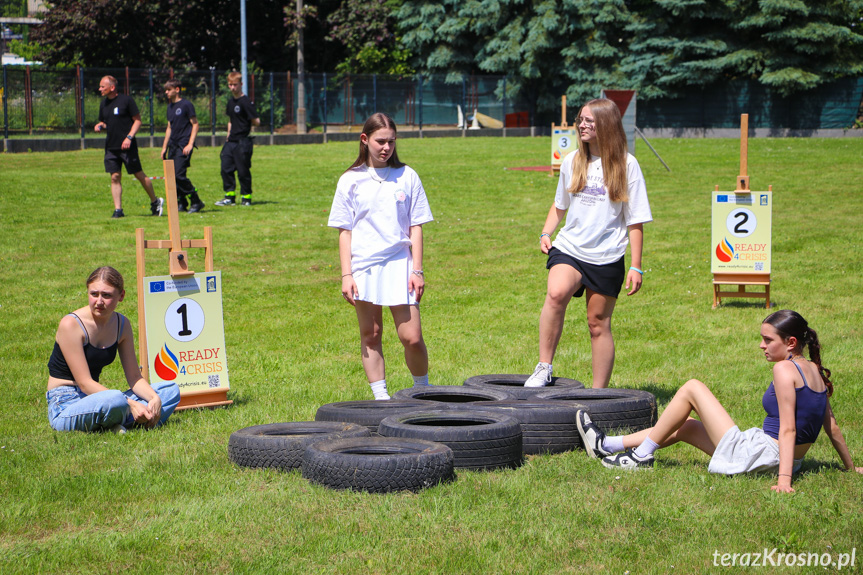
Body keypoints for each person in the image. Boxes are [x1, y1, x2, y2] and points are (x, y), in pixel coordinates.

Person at [576, 310, 863, 491]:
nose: (761, 345)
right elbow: (832, 427)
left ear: (790, 343)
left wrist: (784, 481)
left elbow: (787, 429)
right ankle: (608, 445)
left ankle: (639, 457)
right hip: (781, 458)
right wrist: (850, 468)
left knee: (692, 387)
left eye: (767, 340)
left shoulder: (784, 369)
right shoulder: (813, 370)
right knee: (686, 426)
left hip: (765, 454)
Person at [524, 98, 652, 389]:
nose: (581, 125)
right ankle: (544, 367)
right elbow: (560, 205)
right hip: (570, 248)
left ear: (605, 125)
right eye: (580, 120)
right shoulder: (572, 161)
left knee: (598, 324)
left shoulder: (627, 165)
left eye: (589, 121)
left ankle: (598, 393)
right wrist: (546, 233)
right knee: (556, 294)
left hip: (607, 255)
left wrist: (636, 266)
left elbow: (636, 221)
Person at [327, 113, 433, 400]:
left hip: (401, 263)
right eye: (380, 141)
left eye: (391, 142)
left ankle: (422, 391)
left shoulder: (407, 175)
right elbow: (344, 232)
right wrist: (346, 274)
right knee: (371, 334)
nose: (386, 147)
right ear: (365, 140)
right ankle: (381, 399)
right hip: (363, 267)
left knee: (411, 337)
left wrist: (418, 270)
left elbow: (416, 225)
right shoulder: (350, 180)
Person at [46, 266, 180, 432]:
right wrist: (130, 403)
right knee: (114, 399)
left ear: (121, 296)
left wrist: (154, 398)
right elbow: (85, 383)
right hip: (66, 404)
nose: (99, 301)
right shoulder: (71, 325)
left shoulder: (122, 325)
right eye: (94, 294)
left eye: (107, 295)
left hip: (96, 399)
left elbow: (134, 377)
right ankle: (128, 421)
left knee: (169, 390)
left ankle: (115, 422)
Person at [94, 75, 163, 219]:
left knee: (138, 174)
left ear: (112, 87)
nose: (100, 89)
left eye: (102, 86)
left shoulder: (126, 101)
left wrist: (129, 137)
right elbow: (109, 123)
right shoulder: (104, 104)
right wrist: (101, 125)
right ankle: (118, 210)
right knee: (115, 177)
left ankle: (155, 201)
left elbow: (137, 121)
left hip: (127, 147)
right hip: (111, 147)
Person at [216, 71, 260, 207]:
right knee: (225, 168)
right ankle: (229, 196)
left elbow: (256, 121)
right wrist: (228, 136)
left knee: (243, 171)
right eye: (230, 85)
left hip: (243, 141)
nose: (232, 87)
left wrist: (246, 124)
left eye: (235, 85)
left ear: (241, 84)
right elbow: (230, 120)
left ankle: (246, 198)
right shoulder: (231, 102)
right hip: (231, 141)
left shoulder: (246, 102)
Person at [160, 79, 204, 213]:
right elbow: (169, 128)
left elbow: (195, 124)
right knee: (171, 176)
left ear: (177, 90)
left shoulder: (186, 105)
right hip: (172, 146)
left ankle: (196, 201)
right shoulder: (169, 107)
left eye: (169, 90)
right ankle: (182, 202)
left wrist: (190, 144)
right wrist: (164, 147)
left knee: (179, 175)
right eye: (166, 90)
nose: (166, 92)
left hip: (183, 145)